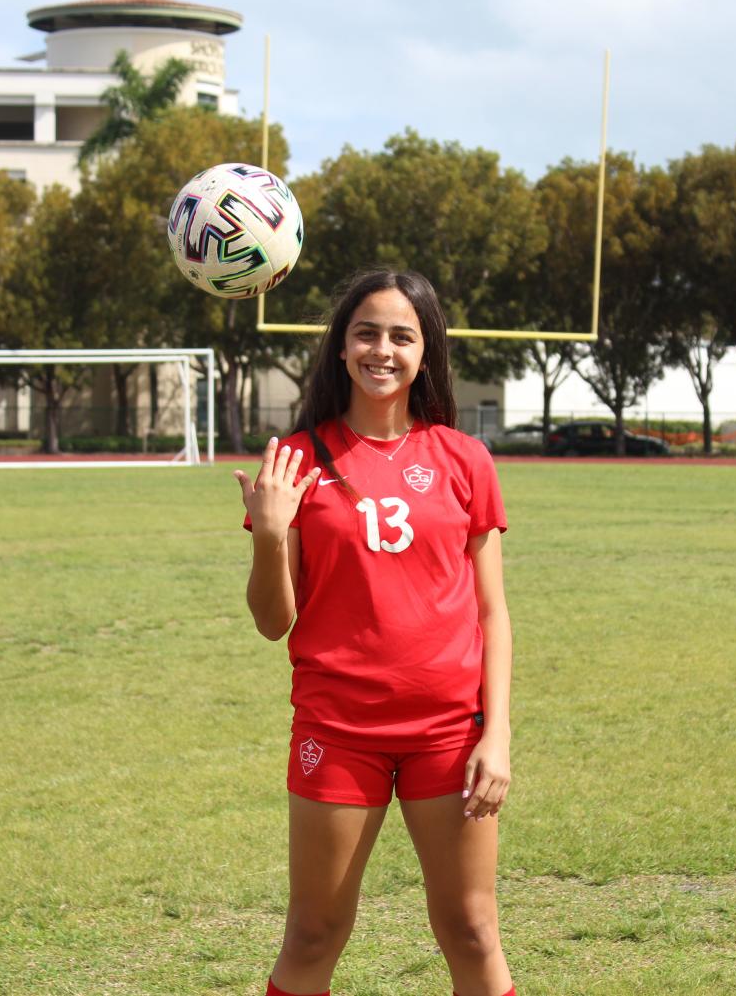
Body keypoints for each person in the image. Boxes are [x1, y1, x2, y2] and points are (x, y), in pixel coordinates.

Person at [235, 268, 516, 996]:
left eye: (401, 334)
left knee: (473, 928)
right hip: (339, 727)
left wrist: (498, 733)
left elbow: (492, 612)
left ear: (426, 352)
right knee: (312, 931)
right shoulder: (294, 459)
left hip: (447, 732)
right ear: (340, 346)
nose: (381, 349)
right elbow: (273, 622)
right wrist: (269, 534)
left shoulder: (464, 459)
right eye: (365, 332)